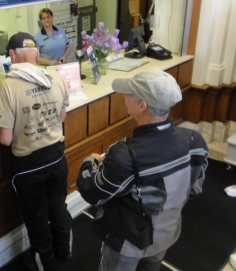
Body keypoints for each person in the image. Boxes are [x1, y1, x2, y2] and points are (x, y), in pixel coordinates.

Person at [76, 70, 209, 271]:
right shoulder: (193, 140)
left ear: (142, 106)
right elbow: (193, 189)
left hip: (128, 243)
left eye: (129, 93)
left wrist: (88, 163)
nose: (124, 97)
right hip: (167, 233)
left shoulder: (125, 154)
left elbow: (93, 193)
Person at [0, 32, 72, 271]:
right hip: (57, 157)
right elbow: (62, 116)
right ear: (36, 53)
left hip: (29, 166)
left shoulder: (9, 85)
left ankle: (47, 264)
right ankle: (64, 251)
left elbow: (4, 139)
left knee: (36, 217)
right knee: (58, 206)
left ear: (12, 55)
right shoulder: (55, 77)